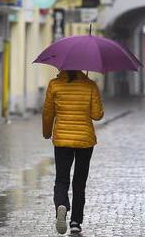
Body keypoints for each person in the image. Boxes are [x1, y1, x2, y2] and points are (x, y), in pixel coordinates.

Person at [42, 70, 104, 234]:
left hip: (62, 139)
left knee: (61, 178)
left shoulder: (54, 85)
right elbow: (97, 115)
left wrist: (47, 133)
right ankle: (76, 221)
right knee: (79, 182)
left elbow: (48, 112)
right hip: (84, 139)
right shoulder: (90, 85)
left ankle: (61, 204)